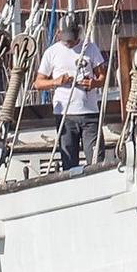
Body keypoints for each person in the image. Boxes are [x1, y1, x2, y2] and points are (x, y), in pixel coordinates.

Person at [33, 12, 106, 172]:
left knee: (96, 162)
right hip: (65, 116)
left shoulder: (90, 48)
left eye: (71, 38)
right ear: (58, 34)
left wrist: (93, 83)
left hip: (89, 114)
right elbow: (38, 83)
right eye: (65, 39)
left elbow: (102, 77)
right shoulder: (51, 52)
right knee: (69, 164)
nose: (69, 43)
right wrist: (55, 82)